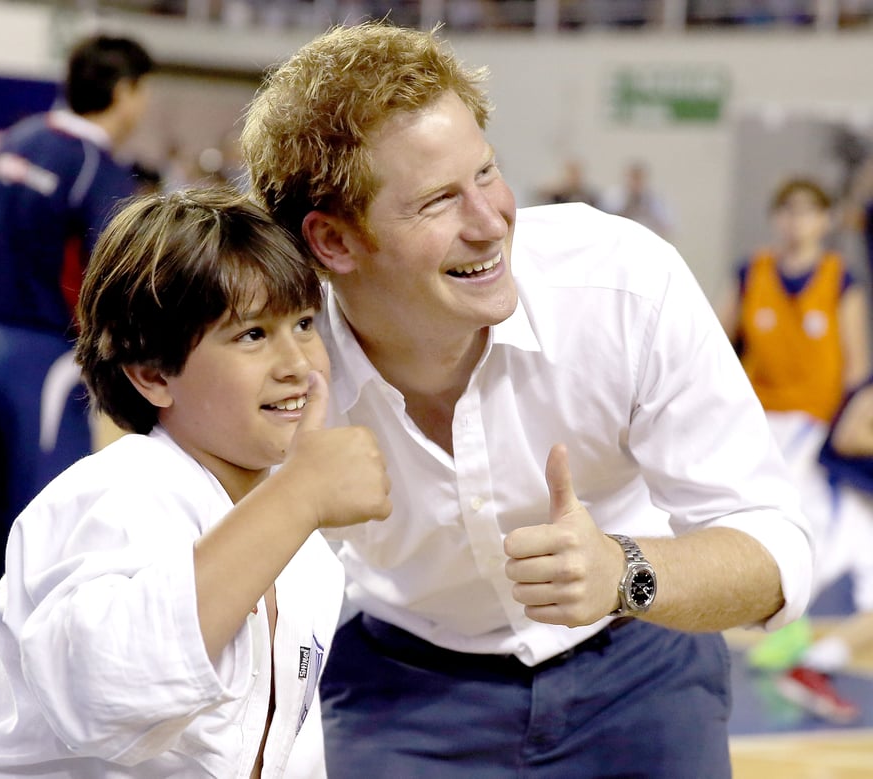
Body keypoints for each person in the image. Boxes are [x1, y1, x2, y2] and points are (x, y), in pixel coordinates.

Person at [241, 22, 812, 777]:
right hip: (401, 689)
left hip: (642, 662)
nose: (490, 222)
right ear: (335, 243)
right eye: (439, 200)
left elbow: (774, 547)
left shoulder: (621, 283)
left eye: (486, 173)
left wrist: (621, 569)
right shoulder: (277, 367)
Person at [0, 188, 392, 778]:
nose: (297, 362)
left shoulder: (309, 559)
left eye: (302, 323)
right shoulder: (114, 497)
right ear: (151, 374)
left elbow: (279, 752)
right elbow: (107, 690)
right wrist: (301, 495)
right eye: (252, 334)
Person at [0, 34, 155, 699]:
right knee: (51, 532)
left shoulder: (19, 138)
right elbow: (114, 282)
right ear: (124, 91)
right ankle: (38, 694)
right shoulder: (95, 169)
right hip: (42, 363)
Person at [759, 383, 873, 724]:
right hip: (836, 493)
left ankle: (813, 667)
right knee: (791, 585)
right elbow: (847, 436)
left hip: (862, 501)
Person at [719, 178, 870, 425]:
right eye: (788, 209)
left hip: (818, 417)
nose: (796, 219)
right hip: (758, 412)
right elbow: (717, 347)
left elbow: (857, 367)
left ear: (825, 220)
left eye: (808, 211)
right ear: (775, 218)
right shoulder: (751, 272)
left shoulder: (841, 279)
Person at [599, 159, 675, 240]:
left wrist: (648, 210)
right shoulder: (613, 196)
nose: (636, 182)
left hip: (649, 241)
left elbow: (668, 227)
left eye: (639, 178)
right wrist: (629, 207)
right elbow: (605, 223)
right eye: (633, 178)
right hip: (621, 241)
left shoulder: (655, 198)